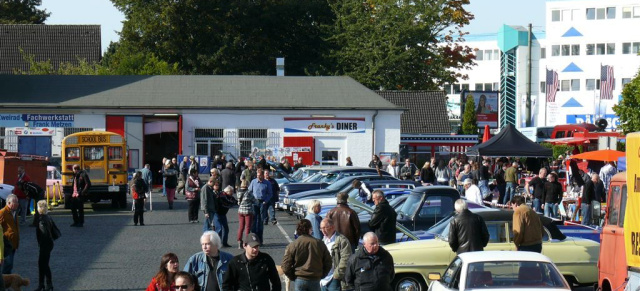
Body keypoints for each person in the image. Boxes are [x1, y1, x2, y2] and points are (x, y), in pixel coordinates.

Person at [282, 219, 332, 291]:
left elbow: (285, 265)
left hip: (300, 278)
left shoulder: (293, 245)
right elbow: (328, 262)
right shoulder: (319, 243)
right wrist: (322, 274)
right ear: (310, 229)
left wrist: (293, 276)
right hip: (315, 278)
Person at [320, 218, 353, 291]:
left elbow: (346, 259)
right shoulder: (323, 241)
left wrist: (336, 274)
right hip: (323, 280)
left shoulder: (342, 240)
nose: (323, 230)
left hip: (334, 279)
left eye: (325, 228)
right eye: (321, 228)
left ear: (332, 227)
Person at [34, 200, 57, 291]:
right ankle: (44, 284)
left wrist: (41, 245)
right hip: (49, 243)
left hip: (45, 244)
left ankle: (46, 284)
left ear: (39, 208)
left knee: (43, 264)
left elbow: (44, 234)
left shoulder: (41, 220)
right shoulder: (48, 217)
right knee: (43, 264)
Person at [248, 170, 272, 244]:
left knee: (261, 221)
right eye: (257, 176)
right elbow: (249, 191)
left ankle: (260, 240)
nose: (258, 177)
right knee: (254, 221)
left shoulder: (267, 183)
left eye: (260, 175)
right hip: (254, 203)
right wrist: (252, 200)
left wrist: (266, 201)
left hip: (262, 203)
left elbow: (270, 193)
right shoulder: (253, 182)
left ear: (263, 175)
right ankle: (254, 239)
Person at [0, 194, 19, 274]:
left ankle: (6, 282)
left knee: (10, 265)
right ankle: (4, 282)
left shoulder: (15, 212)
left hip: (14, 243)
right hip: (7, 243)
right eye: (15, 202)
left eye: (17, 202)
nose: (17, 204)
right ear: (9, 203)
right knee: (8, 264)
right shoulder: (2, 212)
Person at [236, 180, 255, 249]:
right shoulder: (249, 192)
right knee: (247, 227)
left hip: (240, 211)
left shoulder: (238, 192)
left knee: (241, 227)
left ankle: (239, 241)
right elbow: (254, 200)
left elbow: (238, 202)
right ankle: (246, 242)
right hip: (248, 211)